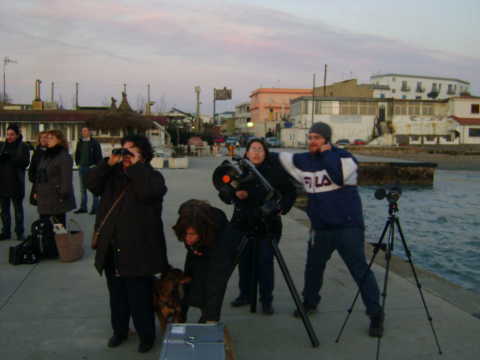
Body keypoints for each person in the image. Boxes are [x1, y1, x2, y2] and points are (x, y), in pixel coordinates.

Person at [278, 122, 384, 337]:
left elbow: (339, 178)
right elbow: (281, 159)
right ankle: (309, 302)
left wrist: (327, 155)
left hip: (348, 227)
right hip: (320, 227)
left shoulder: (344, 158)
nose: (312, 141)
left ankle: (375, 315)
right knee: (313, 268)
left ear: (327, 139)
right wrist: (257, 153)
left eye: (317, 137)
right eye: (310, 137)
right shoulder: (305, 159)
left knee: (360, 271)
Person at [86, 134, 169, 354]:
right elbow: (91, 184)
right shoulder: (112, 176)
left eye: (131, 150)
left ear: (143, 154)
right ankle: (120, 331)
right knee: (117, 295)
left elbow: (148, 192)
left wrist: (134, 167)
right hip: (113, 247)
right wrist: (107, 164)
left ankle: (146, 336)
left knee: (139, 297)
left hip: (138, 249)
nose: (125, 154)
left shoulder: (152, 177)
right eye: (123, 150)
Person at [226, 138, 297, 315]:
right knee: (245, 261)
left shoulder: (275, 171)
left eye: (260, 149)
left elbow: (290, 192)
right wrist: (236, 194)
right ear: (247, 152)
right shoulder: (240, 171)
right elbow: (225, 194)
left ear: (265, 153)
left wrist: (282, 208)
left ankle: (266, 300)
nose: (256, 152)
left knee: (265, 262)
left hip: (268, 225)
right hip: (243, 223)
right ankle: (245, 294)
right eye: (253, 149)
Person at [172, 199, 235, 323]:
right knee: (189, 282)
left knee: (212, 287)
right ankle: (181, 317)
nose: (187, 238)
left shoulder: (221, 236)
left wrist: (211, 319)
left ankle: (208, 318)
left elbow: (216, 286)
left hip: (220, 253)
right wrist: (192, 247)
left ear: (202, 231)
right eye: (185, 234)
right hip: (200, 248)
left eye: (192, 234)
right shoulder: (187, 217)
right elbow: (187, 237)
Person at [34, 130, 76, 227]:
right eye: (47, 138)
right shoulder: (46, 155)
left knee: (58, 230)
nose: (48, 140)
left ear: (59, 141)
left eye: (51, 138)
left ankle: (58, 242)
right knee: (45, 228)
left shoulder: (64, 157)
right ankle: (48, 242)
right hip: (44, 199)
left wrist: (62, 195)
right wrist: (36, 190)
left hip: (56, 200)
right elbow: (39, 174)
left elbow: (66, 179)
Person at [0, 124, 31, 241]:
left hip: (16, 183)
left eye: (12, 134)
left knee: (18, 209)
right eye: (8, 134)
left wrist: (11, 158)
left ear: (18, 135)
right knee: (4, 210)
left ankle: (19, 232)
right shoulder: (2, 146)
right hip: (2, 183)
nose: (9, 137)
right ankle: (6, 231)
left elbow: (25, 162)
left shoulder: (23, 146)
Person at [74, 127, 102, 214]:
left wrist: (96, 166)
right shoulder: (80, 142)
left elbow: (99, 155)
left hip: (91, 168)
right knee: (83, 189)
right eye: (82, 131)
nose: (83, 132)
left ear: (89, 132)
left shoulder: (95, 143)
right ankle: (83, 208)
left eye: (85, 131)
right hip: (81, 168)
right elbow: (77, 154)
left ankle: (95, 208)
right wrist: (78, 163)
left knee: (94, 188)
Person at [28, 131, 49, 206]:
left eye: (45, 137)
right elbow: (32, 167)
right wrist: (33, 178)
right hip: (37, 183)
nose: (43, 139)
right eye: (41, 137)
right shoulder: (37, 152)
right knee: (40, 206)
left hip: (49, 185)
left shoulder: (53, 152)